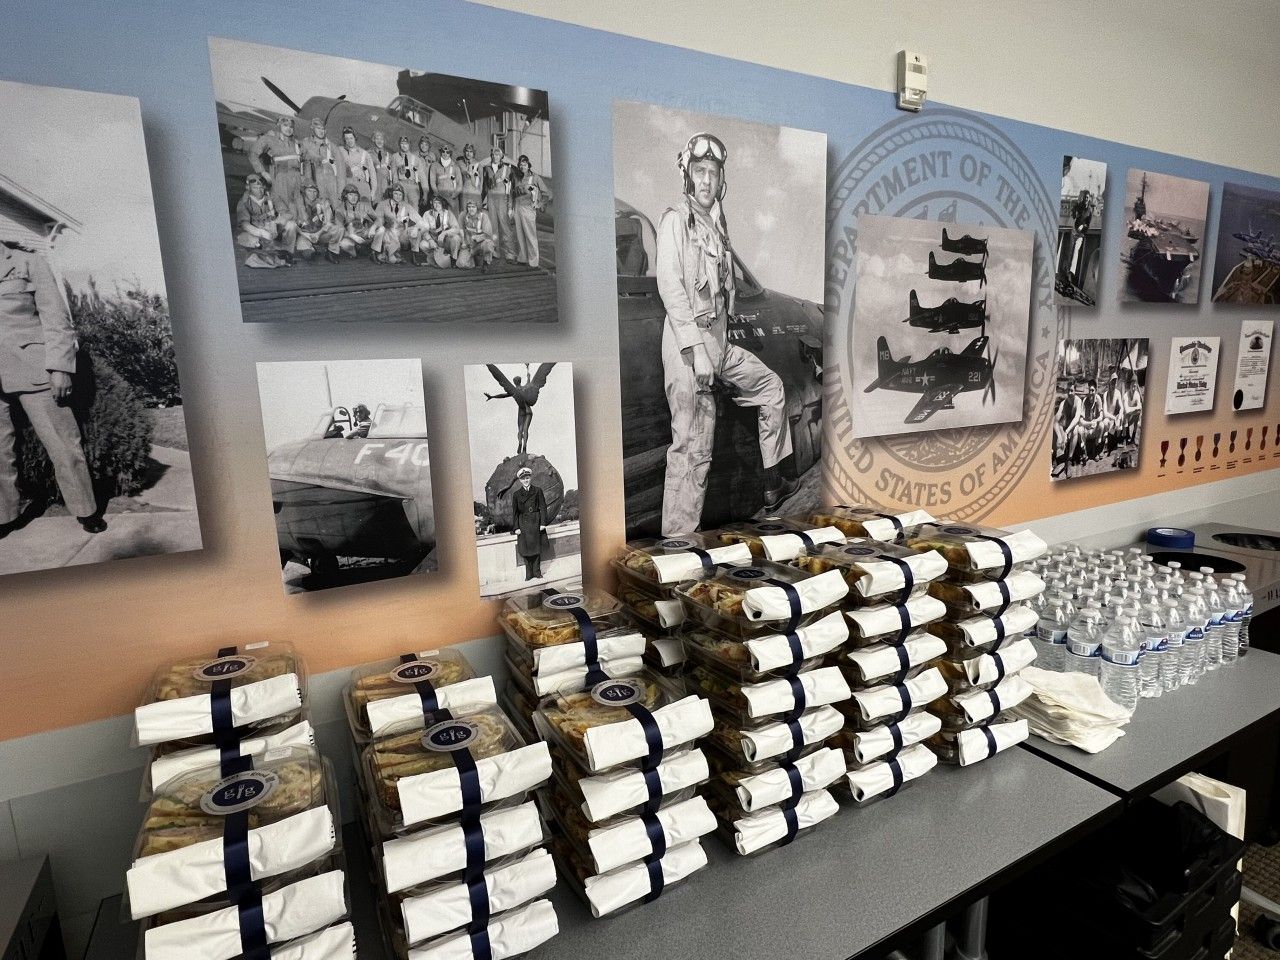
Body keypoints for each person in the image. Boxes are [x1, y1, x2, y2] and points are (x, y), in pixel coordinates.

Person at [655, 132, 794, 535]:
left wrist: (715, 348)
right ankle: (678, 547)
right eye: (699, 172)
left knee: (771, 388)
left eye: (712, 173)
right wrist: (696, 351)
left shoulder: (714, 226)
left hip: (719, 345)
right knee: (692, 453)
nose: (706, 181)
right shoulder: (675, 221)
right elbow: (671, 286)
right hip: (688, 349)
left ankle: (772, 484)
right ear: (687, 176)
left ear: (721, 180)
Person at [0, 242, 103, 537]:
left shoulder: (28, 262)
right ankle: (5, 517)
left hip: (34, 368)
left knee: (63, 444)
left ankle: (87, 511)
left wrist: (60, 368)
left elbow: (56, 318)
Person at [235, 173, 296, 268]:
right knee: (247, 239)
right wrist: (262, 232)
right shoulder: (244, 202)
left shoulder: (272, 197)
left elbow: (287, 213)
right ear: (249, 188)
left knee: (291, 225)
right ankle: (267, 254)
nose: (259, 190)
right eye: (255, 188)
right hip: (257, 232)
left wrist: (276, 224)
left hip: (274, 228)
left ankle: (287, 253)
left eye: (261, 187)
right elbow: (244, 224)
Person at [251, 116, 305, 210]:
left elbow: (304, 158)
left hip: (297, 178)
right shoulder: (269, 139)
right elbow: (253, 153)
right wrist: (262, 172)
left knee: (298, 207)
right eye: (285, 125)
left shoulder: (296, 142)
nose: (288, 129)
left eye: (291, 127)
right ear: (279, 126)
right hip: (280, 177)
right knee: (283, 207)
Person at [510, 465, 548, 581]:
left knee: (536, 548)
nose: (526, 480)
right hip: (523, 524)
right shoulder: (516, 494)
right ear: (520, 480)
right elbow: (515, 512)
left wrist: (543, 523)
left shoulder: (537, 490)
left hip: (536, 522)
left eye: (527, 478)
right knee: (525, 549)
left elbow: (543, 507)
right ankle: (529, 573)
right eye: (523, 479)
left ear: (530, 478)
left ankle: (537, 572)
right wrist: (516, 527)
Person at [291, 182, 342, 264]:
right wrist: (306, 235)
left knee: (338, 229)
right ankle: (311, 249)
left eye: (314, 191)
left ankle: (331, 252)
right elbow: (293, 224)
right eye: (309, 191)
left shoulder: (323, 203)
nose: (312, 194)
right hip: (305, 235)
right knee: (308, 255)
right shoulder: (297, 204)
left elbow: (329, 223)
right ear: (304, 191)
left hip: (320, 233)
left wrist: (318, 234)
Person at [481, 146, 516, 263]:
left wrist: (510, 207)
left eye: (497, 155)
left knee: (506, 227)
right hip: (491, 199)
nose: (495, 157)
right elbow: (481, 166)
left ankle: (510, 253)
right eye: (493, 155)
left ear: (501, 157)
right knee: (493, 227)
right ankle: (495, 251)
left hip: (503, 200)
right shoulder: (487, 168)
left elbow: (511, 190)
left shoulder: (508, 169)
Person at [370, 183, 420, 265]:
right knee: (392, 259)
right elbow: (378, 219)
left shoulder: (406, 205)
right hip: (387, 232)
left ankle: (414, 255)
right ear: (391, 194)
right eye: (395, 194)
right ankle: (374, 252)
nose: (398, 196)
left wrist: (411, 226)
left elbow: (416, 218)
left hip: (400, 231)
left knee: (416, 230)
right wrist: (377, 227)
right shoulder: (382, 204)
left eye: (400, 194)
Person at [510, 154, 545, 268]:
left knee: (530, 235)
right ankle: (522, 257)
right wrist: (511, 208)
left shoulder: (535, 177)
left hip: (528, 208)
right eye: (520, 164)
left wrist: (539, 204)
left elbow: (547, 193)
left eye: (524, 164)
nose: (522, 166)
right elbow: (512, 194)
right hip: (517, 207)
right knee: (520, 234)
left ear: (528, 165)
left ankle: (534, 261)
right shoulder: (517, 178)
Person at [302, 117, 342, 207]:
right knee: (317, 206)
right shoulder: (306, 143)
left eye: (323, 129)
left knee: (335, 205)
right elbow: (299, 159)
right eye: (318, 128)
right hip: (314, 181)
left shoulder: (331, 146)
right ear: (313, 128)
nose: (321, 131)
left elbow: (340, 167)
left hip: (331, 181)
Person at [418, 194, 463, 267]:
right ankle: (436, 257)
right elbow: (424, 230)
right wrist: (430, 240)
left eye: (439, 203)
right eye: (435, 202)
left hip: (445, 240)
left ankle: (453, 259)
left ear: (442, 204)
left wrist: (445, 233)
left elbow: (456, 228)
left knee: (456, 238)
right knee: (423, 245)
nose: (437, 205)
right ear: (432, 203)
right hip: (434, 240)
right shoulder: (427, 214)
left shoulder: (448, 213)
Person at [335, 183, 376, 259]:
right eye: (350, 194)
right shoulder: (339, 209)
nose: (353, 198)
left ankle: (370, 248)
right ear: (345, 195)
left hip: (365, 234)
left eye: (356, 195)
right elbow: (339, 228)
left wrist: (372, 228)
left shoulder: (365, 205)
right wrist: (352, 236)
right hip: (351, 236)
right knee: (344, 244)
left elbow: (378, 220)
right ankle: (356, 250)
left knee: (381, 230)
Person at [338, 127, 376, 203]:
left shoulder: (364, 153)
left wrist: (373, 191)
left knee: (365, 210)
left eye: (351, 138)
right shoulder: (340, 150)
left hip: (361, 185)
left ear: (355, 138)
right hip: (347, 185)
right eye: (347, 138)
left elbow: (372, 173)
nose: (349, 141)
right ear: (344, 139)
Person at [461, 199, 496, 270]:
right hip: (469, 245)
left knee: (488, 244)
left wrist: (477, 238)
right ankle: (475, 258)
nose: (471, 209)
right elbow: (460, 229)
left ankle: (486, 262)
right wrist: (463, 242)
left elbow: (488, 235)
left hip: (480, 244)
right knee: (462, 264)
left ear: (477, 208)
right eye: (469, 207)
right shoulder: (464, 215)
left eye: (473, 207)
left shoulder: (484, 216)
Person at [392, 136, 423, 211]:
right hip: (401, 184)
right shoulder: (395, 156)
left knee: (414, 208)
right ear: (399, 144)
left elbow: (422, 176)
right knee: (401, 207)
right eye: (402, 143)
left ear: (409, 145)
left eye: (406, 143)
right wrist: (395, 187)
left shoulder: (416, 158)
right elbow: (394, 173)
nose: (404, 145)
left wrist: (425, 192)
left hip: (413, 185)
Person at [428, 145, 462, 214]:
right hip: (439, 196)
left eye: (448, 152)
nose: (445, 154)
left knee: (453, 219)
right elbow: (432, 181)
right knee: (439, 218)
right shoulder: (434, 165)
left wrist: (454, 195)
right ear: (440, 152)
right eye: (443, 151)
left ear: (450, 154)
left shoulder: (455, 167)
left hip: (452, 197)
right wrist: (437, 194)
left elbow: (460, 184)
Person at [459, 144, 484, 215]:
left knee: (476, 214)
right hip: (464, 192)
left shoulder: (478, 165)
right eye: (467, 151)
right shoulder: (460, 164)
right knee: (464, 213)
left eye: (471, 152)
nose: (468, 153)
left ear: (473, 153)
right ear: (464, 152)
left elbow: (481, 180)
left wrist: (480, 192)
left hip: (475, 192)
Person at [369, 130, 392, 201]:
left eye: (381, 139)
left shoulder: (389, 155)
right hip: (374, 185)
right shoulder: (369, 154)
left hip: (386, 186)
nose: (379, 141)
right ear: (373, 140)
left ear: (384, 141)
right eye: (377, 139)